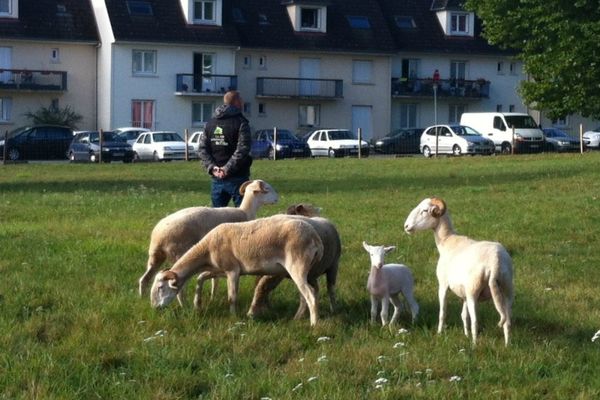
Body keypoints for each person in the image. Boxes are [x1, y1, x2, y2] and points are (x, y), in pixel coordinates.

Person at [198, 90, 252, 207]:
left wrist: (213, 168)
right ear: (236, 102)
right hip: (238, 177)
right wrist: (226, 169)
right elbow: (243, 149)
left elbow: (202, 149)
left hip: (216, 177)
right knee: (243, 218)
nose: (242, 102)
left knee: (217, 219)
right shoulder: (241, 123)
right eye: (241, 100)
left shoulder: (210, 123)